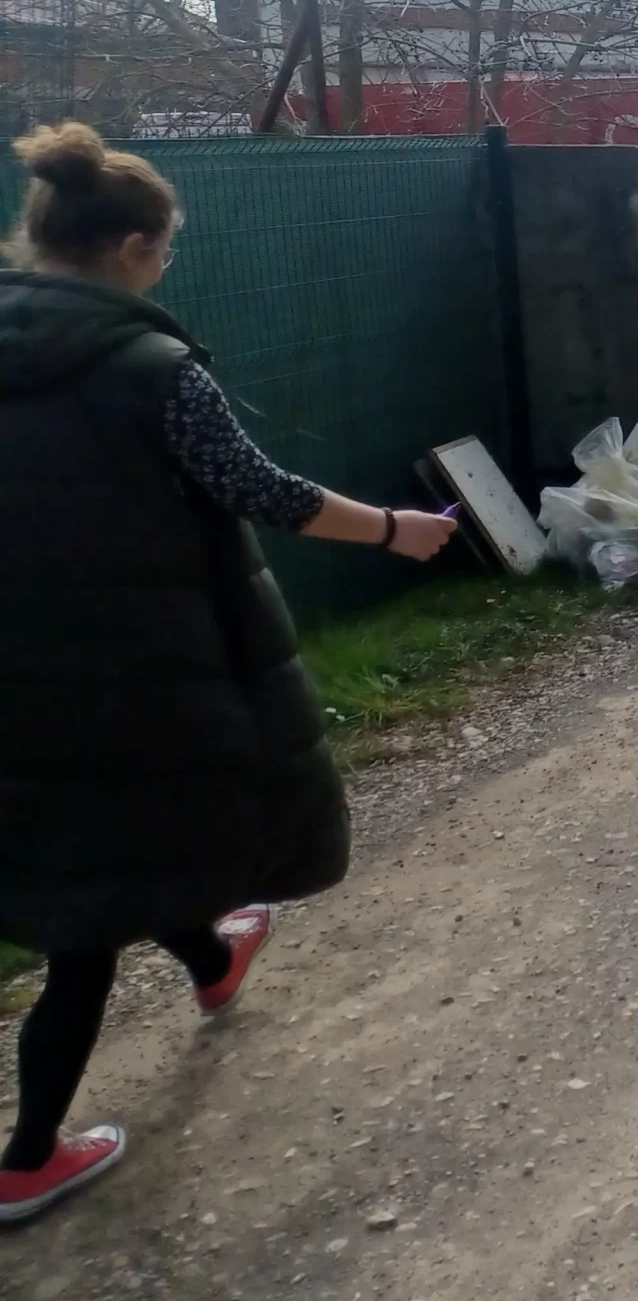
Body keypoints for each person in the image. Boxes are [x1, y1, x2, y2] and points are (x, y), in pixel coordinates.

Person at [0, 122, 457, 1225]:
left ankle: (212, 954)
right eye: (162, 251)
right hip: (136, 665)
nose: (163, 268)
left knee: (109, 843)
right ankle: (24, 1161)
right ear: (127, 249)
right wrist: (397, 530)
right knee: (91, 913)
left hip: (17, 665)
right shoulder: (151, 368)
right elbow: (261, 488)